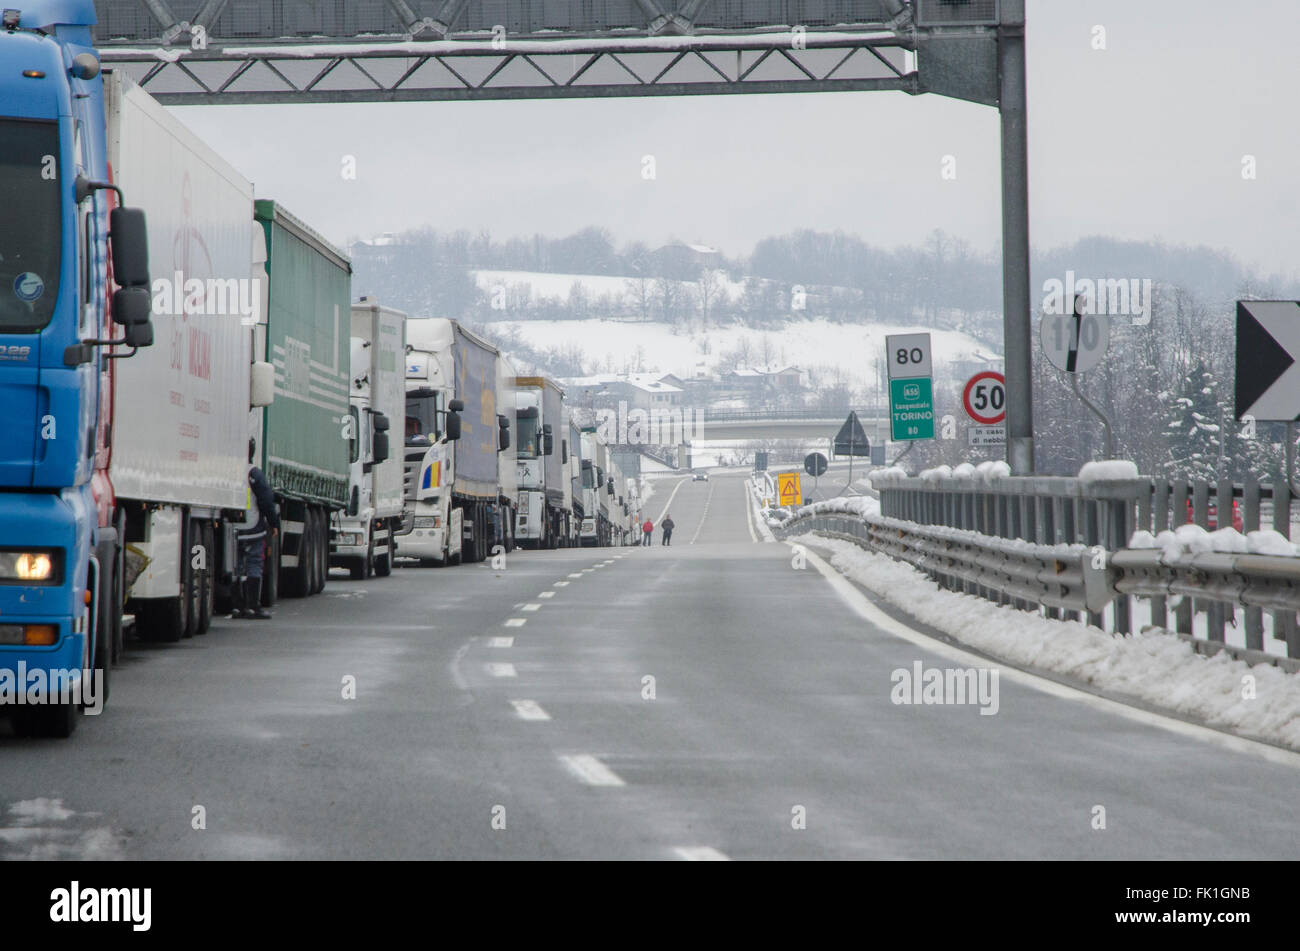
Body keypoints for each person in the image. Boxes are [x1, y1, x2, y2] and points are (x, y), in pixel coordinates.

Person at [231, 438, 280, 620]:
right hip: (253, 528)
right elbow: (266, 501)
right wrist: (274, 524)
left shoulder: (230, 472)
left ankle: (237, 606)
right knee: (254, 564)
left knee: (236, 567)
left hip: (233, 528)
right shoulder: (254, 474)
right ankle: (252, 606)